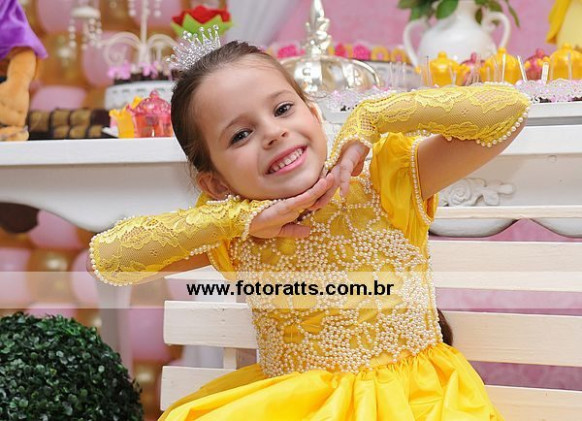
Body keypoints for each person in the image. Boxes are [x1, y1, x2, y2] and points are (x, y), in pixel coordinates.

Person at [89, 36, 530, 420]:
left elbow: (509, 111)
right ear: (217, 183)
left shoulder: (382, 182)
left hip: (413, 402)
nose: (273, 133)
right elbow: (109, 259)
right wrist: (238, 219)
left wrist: (373, 116)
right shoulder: (233, 234)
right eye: (240, 135)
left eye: (283, 109)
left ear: (313, 114)